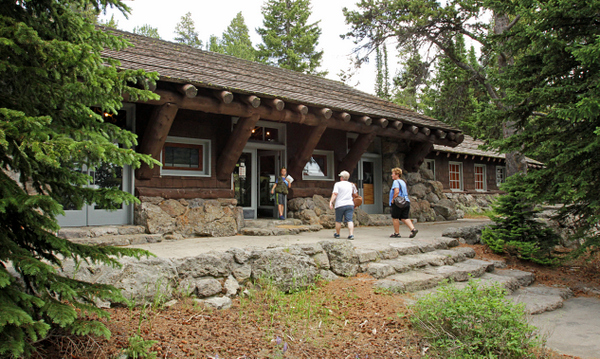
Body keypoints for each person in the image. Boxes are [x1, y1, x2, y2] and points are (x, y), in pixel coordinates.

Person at [389, 167, 418, 238]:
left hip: (398, 202)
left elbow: (397, 191)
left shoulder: (395, 182)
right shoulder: (403, 182)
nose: (392, 175)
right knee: (404, 217)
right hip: (406, 201)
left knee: (395, 217)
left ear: (397, 174)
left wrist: (393, 200)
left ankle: (397, 233)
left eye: (393, 174)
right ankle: (413, 229)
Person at [329, 170, 358, 240]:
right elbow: (355, 194)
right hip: (350, 204)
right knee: (350, 220)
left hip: (340, 204)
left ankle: (338, 234)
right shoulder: (352, 185)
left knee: (338, 220)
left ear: (342, 177)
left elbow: (335, 194)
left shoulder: (337, 184)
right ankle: (351, 234)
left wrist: (331, 202)